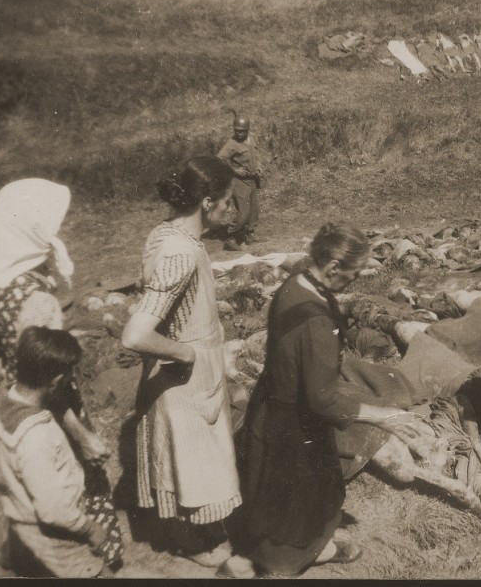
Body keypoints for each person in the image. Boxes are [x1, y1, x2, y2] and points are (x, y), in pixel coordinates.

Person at [231, 222, 430, 577]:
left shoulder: (294, 285)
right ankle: (283, 563)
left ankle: (268, 553)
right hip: (294, 422)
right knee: (296, 498)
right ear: (334, 267)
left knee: (288, 492)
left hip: (273, 407)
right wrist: (384, 417)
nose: (357, 279)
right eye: (354, 273)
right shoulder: (316, 324)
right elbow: (323, 400)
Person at [0, 178, 122, 568]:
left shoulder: (2, 284)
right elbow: (50, 375)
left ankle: (38, 557)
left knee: (32, 490)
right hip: (50, 407)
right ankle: (96, 560)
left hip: (17, 399)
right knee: (74, 486)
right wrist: (81, 434)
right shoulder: (38, 299)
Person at [121, 156, 242, 568]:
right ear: (207, 202)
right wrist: (185, 352)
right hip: (183, 375)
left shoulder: (166, 234)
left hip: (185, 368)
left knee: (189, 454)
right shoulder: (180, 254)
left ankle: (187, 529)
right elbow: (136, 334)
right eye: (228, 201)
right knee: (194, 455)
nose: (232, 209)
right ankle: (194, 542)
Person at [0, 327, 114, 577]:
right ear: (56, 382)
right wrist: (90, 529)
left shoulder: (0, 400)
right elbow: (53, 509)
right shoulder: (36, 436)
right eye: (68, 376)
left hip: (23, 525)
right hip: (57, 540)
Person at [216, 114, 265, 251]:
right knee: (244, 211)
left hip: (252, 180)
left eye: (242, 130)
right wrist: (234, 170)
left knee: (254, 210)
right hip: (239, 182)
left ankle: (249, 234)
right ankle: (231, 238)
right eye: (236, 130)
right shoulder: (232, 143)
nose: (239, 133)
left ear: (247, 129)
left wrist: (259, 166)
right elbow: (220, 158)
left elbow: (255, 155)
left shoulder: (250, 139)